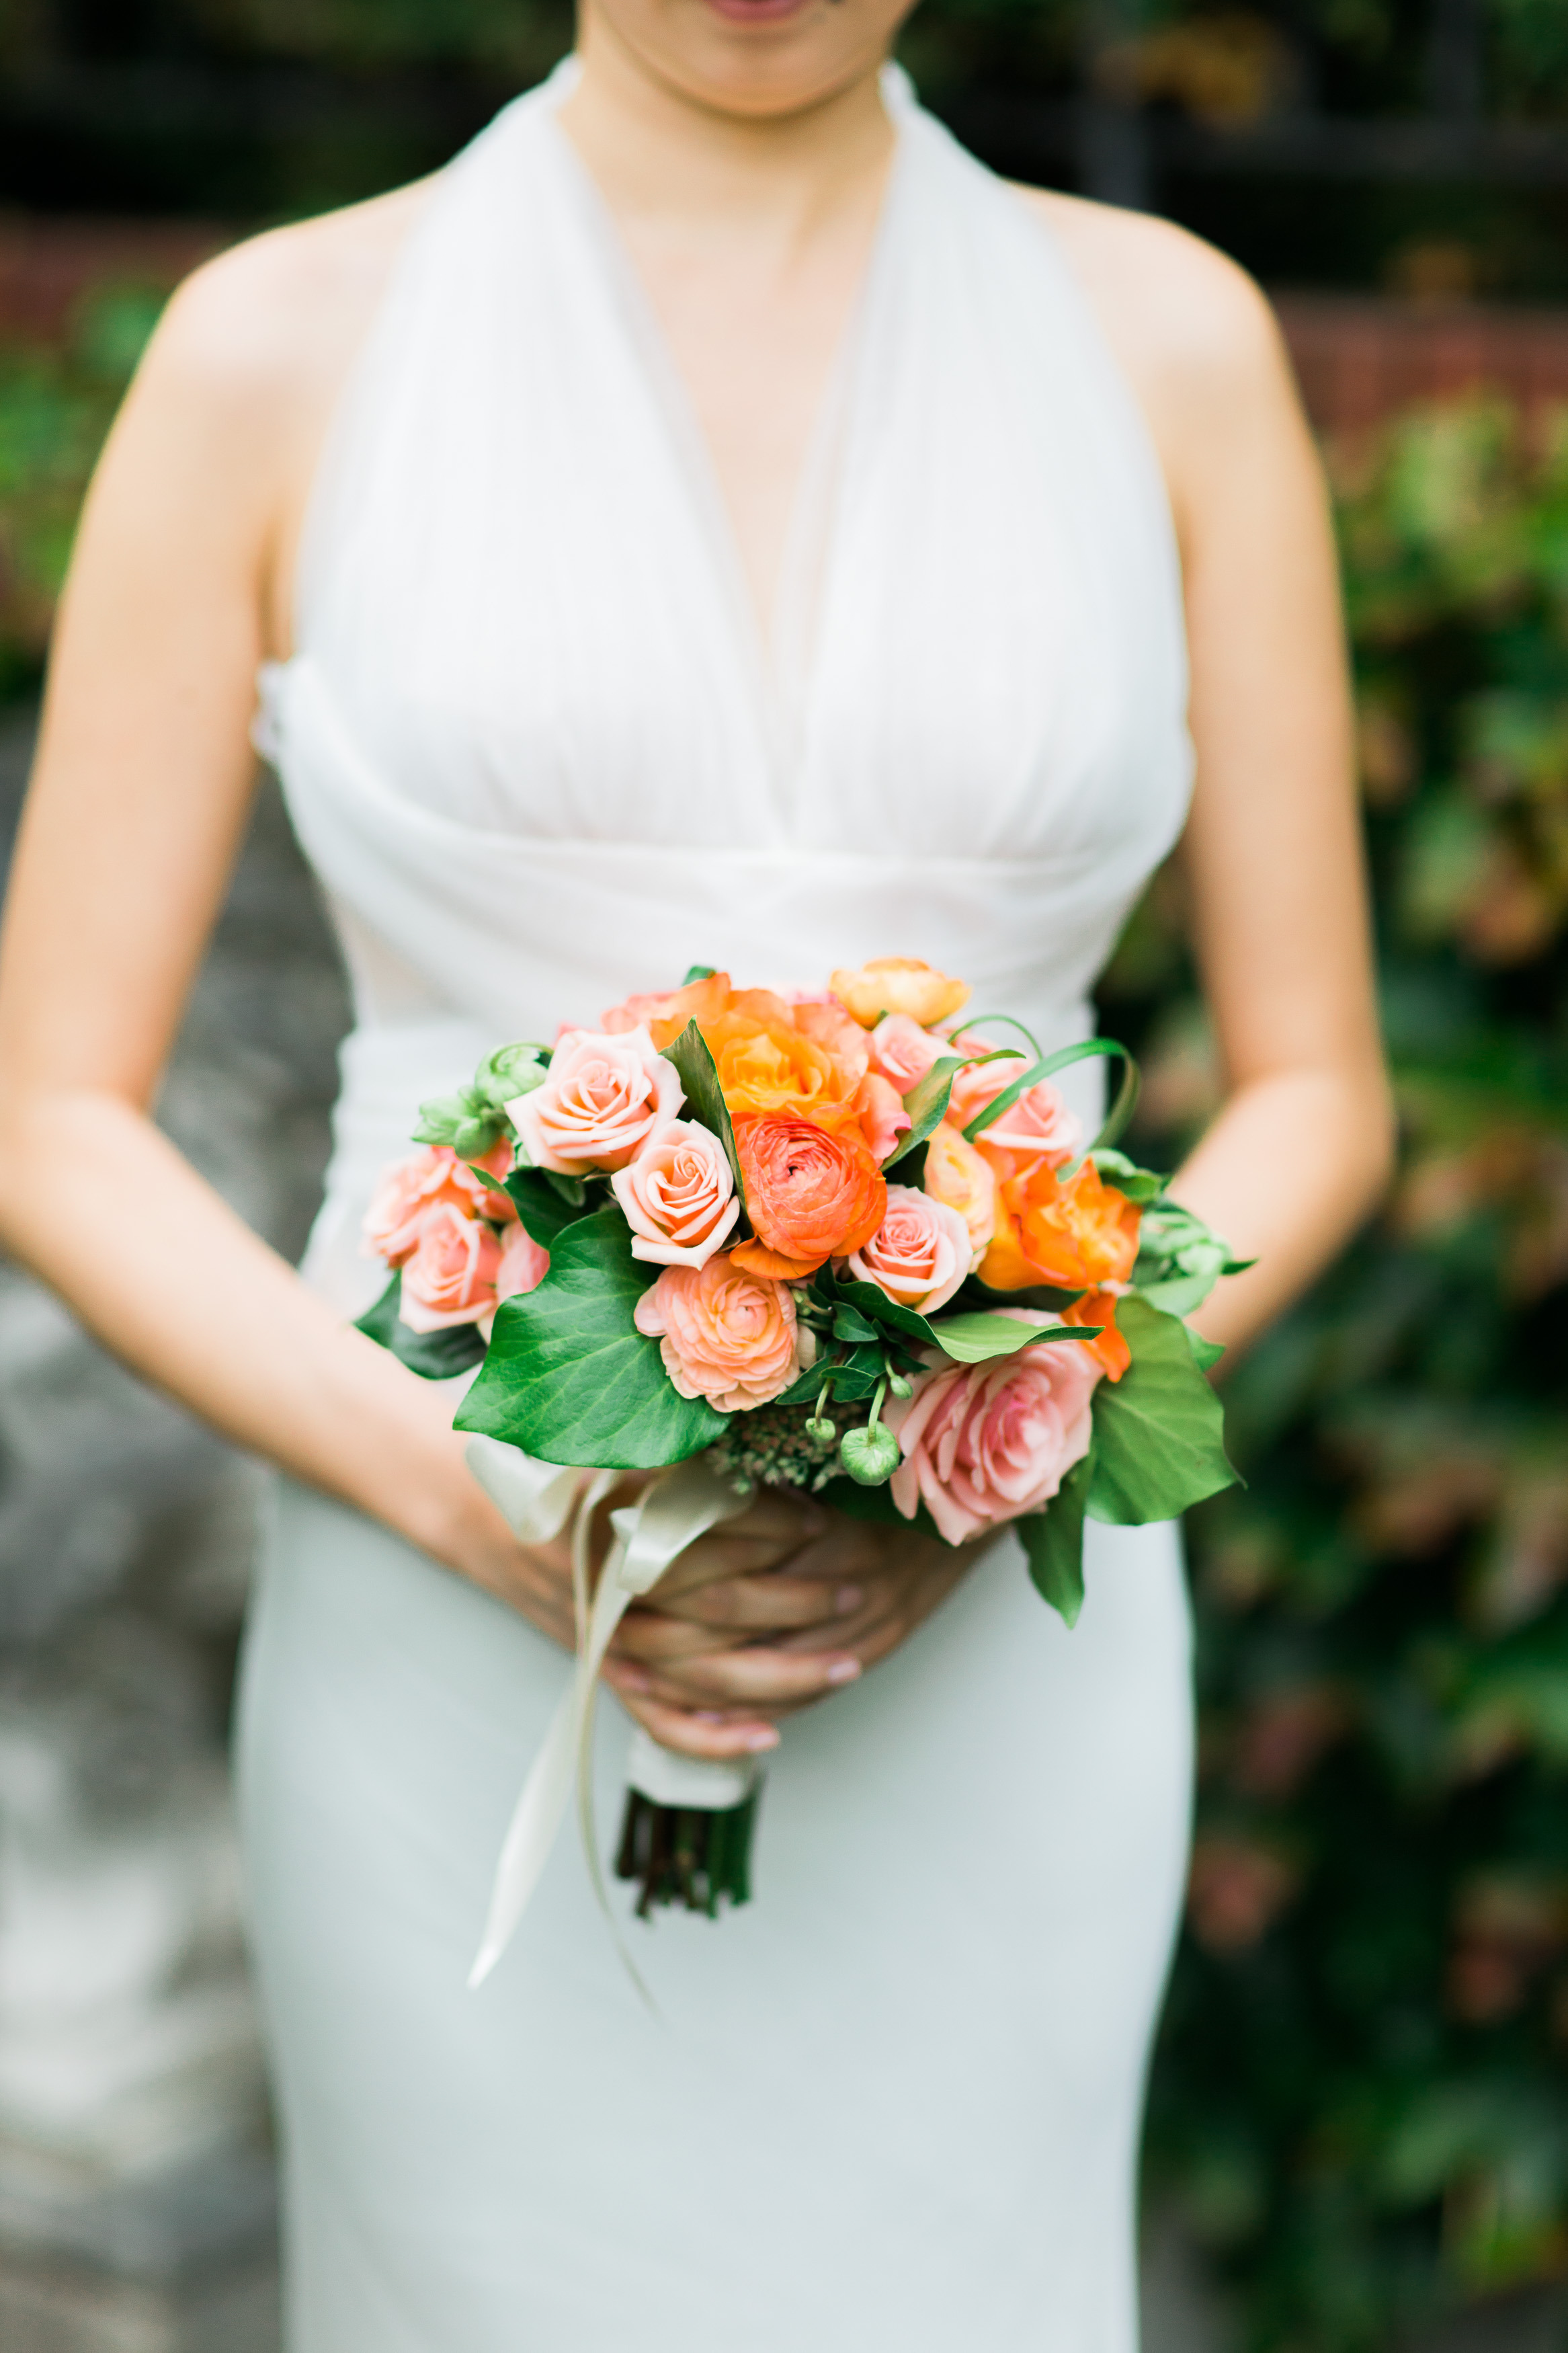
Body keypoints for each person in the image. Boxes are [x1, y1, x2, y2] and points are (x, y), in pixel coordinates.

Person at [0, 0, 1391, 2342]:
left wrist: (997, 1450)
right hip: (439, 1616)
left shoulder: (1172, 347)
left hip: (998, 1656)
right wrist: (493, 1505)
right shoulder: (273, 347)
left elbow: (1321, 1084)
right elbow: (49, 1113)